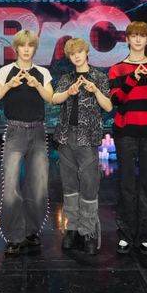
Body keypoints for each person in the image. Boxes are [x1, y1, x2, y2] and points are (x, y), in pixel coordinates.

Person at [108, 21, 147, 255]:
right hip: (125, 132)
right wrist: (132, 79)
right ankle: (125, 234)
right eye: (133, 35)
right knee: (126, 185)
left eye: (142, 36)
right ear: (127, 39)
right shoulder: (117, 69)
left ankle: (146, 235)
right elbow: (115, 99)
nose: (137, 39)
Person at [0, 29, 54, 255]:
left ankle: (32, 231)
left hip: (38, 131)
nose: (26, 49)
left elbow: (50, 97)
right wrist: (10, 84)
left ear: (34, 49)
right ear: (16, 48)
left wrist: (36, 83)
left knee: (38, 184)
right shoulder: (5, 71)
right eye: (22, 45)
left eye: (30, 46)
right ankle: (14, 235)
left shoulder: (42, 72)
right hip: (14, 130)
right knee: (10, 185)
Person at [52, 38, 112, 255]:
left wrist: (95, 91)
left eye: (79, 52)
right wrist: (69, 92)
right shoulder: (66, 78)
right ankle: (72, 229)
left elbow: (108, 106)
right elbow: (55, 99)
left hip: (88, 138)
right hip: (66, 136)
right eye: (72, 53)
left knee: (89, 185)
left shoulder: (99, 77)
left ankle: (88, 231)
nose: (76, 56)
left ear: (87, 52)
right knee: (69, 185)